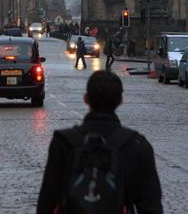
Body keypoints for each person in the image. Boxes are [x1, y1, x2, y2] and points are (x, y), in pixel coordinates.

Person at [37, 71, 162, 213]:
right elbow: (151, 205)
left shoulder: (63, 143)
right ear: (121, 99)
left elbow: (47, 201)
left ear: (86, 99)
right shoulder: (137, 145)